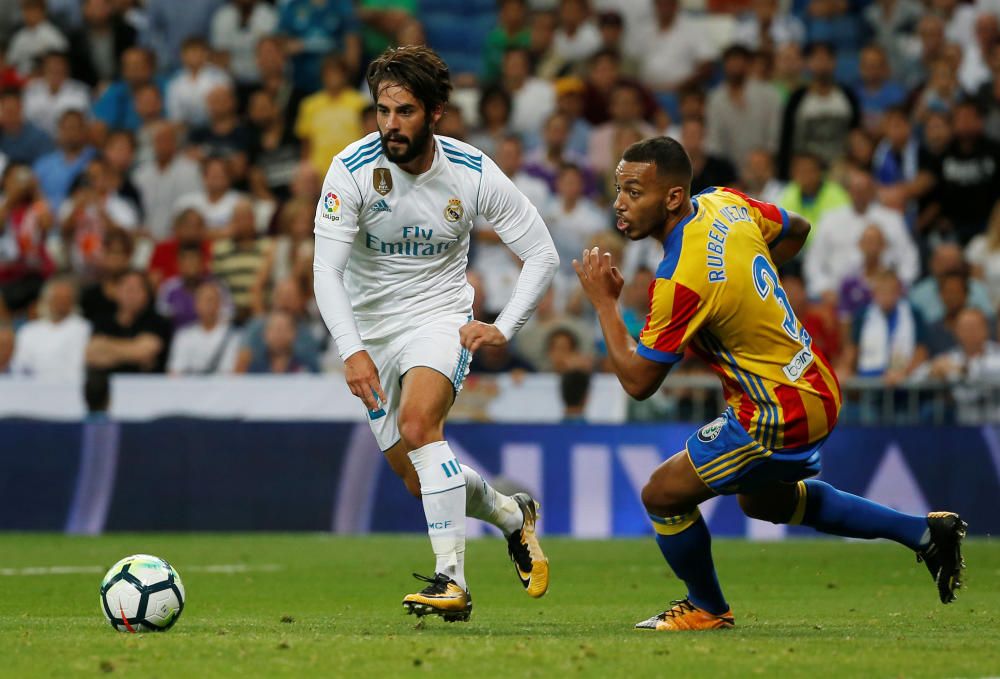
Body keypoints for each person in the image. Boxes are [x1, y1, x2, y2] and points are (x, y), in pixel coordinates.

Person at [573, 136, 966, 632]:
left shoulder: (681, 279)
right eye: (618, 189)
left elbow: (638, 382)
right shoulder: (726, 203)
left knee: (662, 495)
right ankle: (926, 534)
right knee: (763, 500)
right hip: (816, 382)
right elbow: (798, 228)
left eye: (633, 191)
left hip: (776, 411)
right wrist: (748, 293)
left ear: (673, 197)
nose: (619, 203)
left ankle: (707, 608)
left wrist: (606, 305)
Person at [312, 45, 559, 621]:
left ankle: (452, 581)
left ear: (437, 113)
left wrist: (503, 328)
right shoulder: (351, 170)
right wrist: (351, 351)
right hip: (371, 332)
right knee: (421, 481)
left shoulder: (470, 172)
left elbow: (541, 254)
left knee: (420, 426)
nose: (390, 126)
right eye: (382, 111)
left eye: (404, 112)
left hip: (440, 317)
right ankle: (509, 514)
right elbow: (326, 269)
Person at [10, 275, 90, 379]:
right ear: (47, 299)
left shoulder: (84, 328)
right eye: (57, 298)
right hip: (33, 389)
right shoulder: (28, 331)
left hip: (72, 388)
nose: (62, 302)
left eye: (67, 298)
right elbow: (20, 365)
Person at [166, 279, 238, 375]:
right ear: (196, 304)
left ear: (220, 304)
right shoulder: (183, 336)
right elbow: (175, 372)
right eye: (203, 300)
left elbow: (231, 373)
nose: (208, 305)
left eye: (212, 300)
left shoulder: (233, 336)